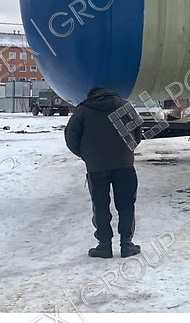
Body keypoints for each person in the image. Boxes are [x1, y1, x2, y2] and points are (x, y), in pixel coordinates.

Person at [65, 87, 142, 259]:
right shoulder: (125, 107)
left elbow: (71, 138)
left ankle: (104, 246)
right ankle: (126, 244)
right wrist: (127, 150)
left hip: (96, 168)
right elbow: (138, 132)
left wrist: (87, 156)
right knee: (126, 205)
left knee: (100, 206)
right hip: (124, 165)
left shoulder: (83, 110)